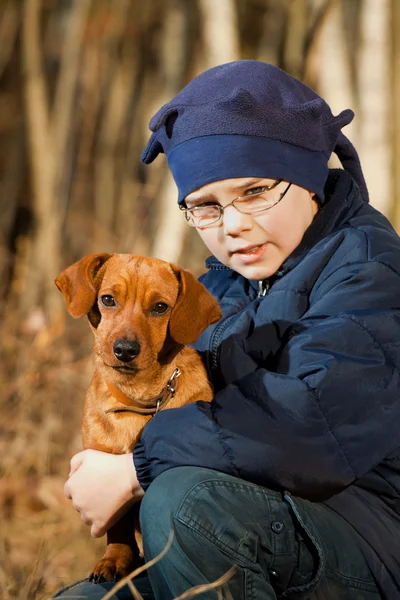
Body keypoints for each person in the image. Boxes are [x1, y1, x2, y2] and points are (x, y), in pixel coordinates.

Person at [52, 60, 400, 600]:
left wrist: (133, 472)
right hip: (262, 524)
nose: (234, 224)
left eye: (256, 191)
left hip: (368, 542)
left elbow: (306, 427)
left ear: (308, 181)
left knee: (186, 503)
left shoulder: (369, 272)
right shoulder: (229, 290)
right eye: (206, 206)